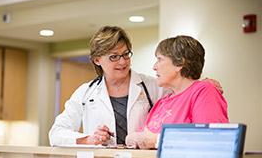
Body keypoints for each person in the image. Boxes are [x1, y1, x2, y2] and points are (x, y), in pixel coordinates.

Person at [49, 26, 223, 147]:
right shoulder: (85, 92)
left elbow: (184, 89)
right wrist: (89, 139)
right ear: (97, 59)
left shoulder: (153, 86)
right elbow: (56, 133)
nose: (123, 62)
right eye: (114, 57)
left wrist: (201, 83)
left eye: (126, 54)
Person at [125, 35, 229, 149]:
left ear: (179, 64)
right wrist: (134, 138)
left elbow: (211, 140)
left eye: (159, 59)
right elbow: (137, 139)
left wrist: (156, 140)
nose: (154, 67)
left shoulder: (204, 91)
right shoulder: (162, 102)